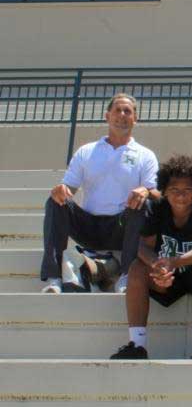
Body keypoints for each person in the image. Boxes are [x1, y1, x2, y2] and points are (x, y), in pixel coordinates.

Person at [110, 155, 192, 360]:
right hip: (165, 274)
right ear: (164, 190)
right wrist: (157, 266)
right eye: (174, 190)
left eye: (187, 190)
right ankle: (137, 345)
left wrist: (174, 262)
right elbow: (143, 246)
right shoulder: (156, 209)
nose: (180, 195)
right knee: (137, 268)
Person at [41, 93, 159, 294]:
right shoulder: (86, 151)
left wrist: (146, 190)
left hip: (121, 228)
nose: (122, 115)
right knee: (54, 202)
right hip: (88, 227)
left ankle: (126, 277)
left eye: (127, 111)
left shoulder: (145, 155)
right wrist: (60, 191)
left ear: (135, 119)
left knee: (144, 204)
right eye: (117, 110)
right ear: (107, 116)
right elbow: (69, 189)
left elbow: (157, 194)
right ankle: (54, 278)